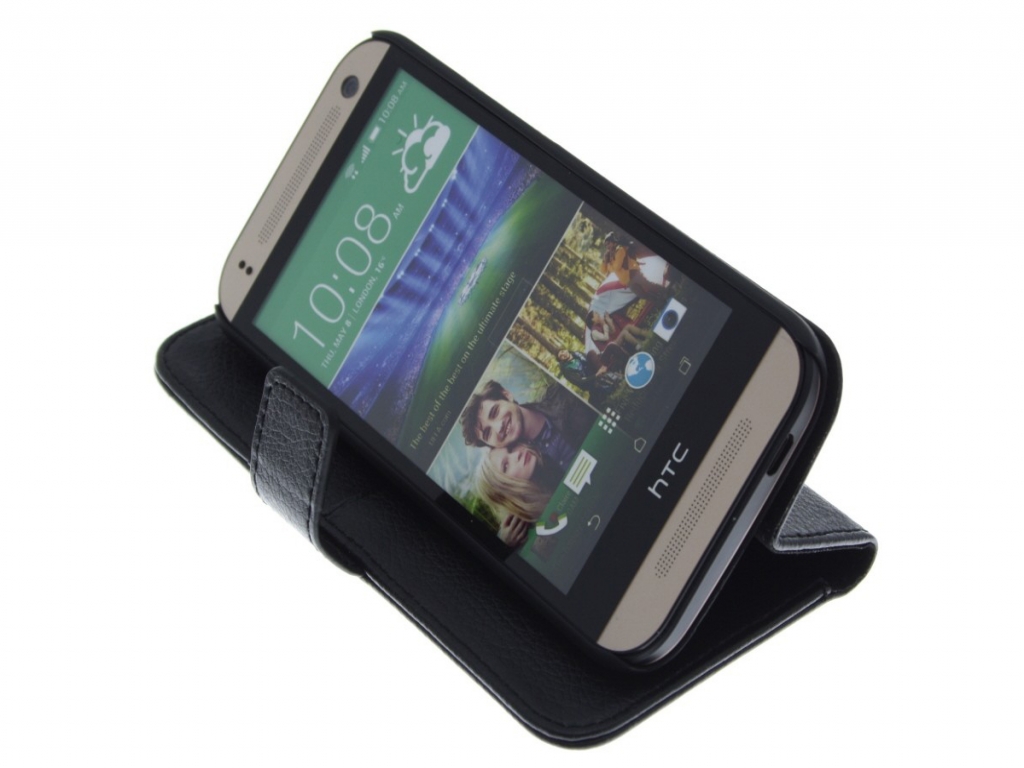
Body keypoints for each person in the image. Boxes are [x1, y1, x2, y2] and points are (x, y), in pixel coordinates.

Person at [459, 379, 595, 472]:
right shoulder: (526, 473)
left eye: (495, 412)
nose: (498, 427)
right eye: (488, 433)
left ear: (507, 395)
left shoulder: (562, 395)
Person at [477, 443, 560, 548]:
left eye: (511, 449)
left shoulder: (550, 465)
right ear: (504, 494)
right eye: (506, 466)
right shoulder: (523, 537)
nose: (517, 454)